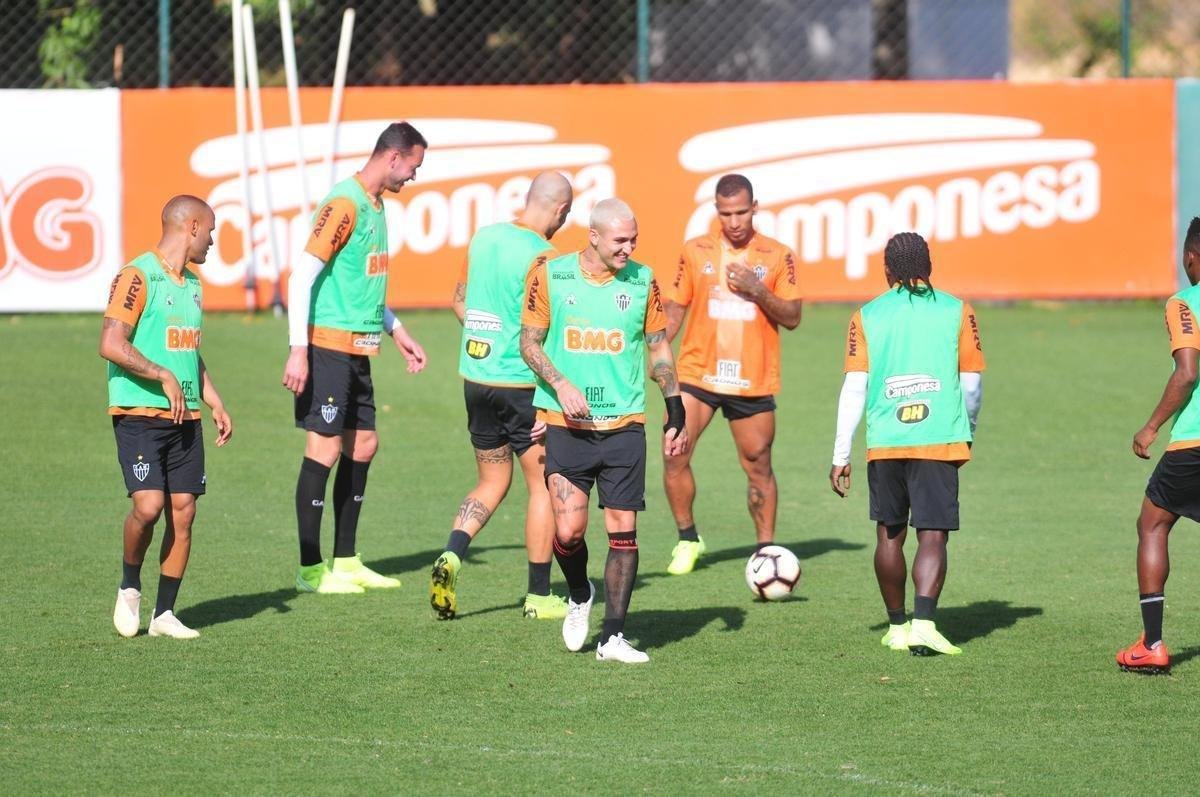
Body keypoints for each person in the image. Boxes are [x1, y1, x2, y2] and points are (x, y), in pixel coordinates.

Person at [519, 198, 689, 664]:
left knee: (622, 530)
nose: (629, 248)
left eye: (634, 239)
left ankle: (612, 637)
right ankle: (579, 592)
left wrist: (674, 405)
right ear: (592, 236)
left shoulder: (642, 280)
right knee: (570, 533)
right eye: (620, 240)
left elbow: (657, 345)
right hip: (567, 424)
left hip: (624, 425)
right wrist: (559, 384)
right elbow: (528, 342)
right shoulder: (551, 276)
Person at [282, 122, 429, 594]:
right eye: (413, 166)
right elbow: (301, 277)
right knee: (323, 450)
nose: (413, 176)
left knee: (363, 445)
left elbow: (360, 283)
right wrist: (298, 351)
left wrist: (397, 328)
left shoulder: (376, 206)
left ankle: (345, 560)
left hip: (361, 349)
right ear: (393, 158)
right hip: (328, 350)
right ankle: (310, 569)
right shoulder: (343, 204)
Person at [829, 232, 984, 656]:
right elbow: (971, 385)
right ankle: (925, 624)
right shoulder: (957, 311)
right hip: (939, 436)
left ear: (887, 271)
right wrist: (965, 427)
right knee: (932, 535)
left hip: (886, 440)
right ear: (928, 266)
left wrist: (840, 454)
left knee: (889, 534)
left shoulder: (868, 315)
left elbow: (854, 387)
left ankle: (897, 626)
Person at [430, 172, 574, 620]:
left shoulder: (484, 237)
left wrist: (486, 346)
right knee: (543, 488)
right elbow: (547, 332)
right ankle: (537, 596)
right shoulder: (545, 257)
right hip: (522, 388)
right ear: (560, 211)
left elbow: (459, 301)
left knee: (492, 481)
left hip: (476, 379)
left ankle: (452, 554)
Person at [101, 195, 234, 639]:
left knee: (184, 511)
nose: (212, 241)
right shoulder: (136, 275)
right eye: (211, 231)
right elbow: (111, 343)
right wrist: (159, 374)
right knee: (149, 505)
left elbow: (189, 352)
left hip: (186, 417)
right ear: (192, 226)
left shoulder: (193, 285)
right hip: (140, 414)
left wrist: (214, 400)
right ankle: (129, 585)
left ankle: (164, 615)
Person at [661, 174, 802, 575]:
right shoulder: (695, 250)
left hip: (752, 379)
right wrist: (658, 350)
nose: (734, 221)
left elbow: (793, 316)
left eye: (741, 212)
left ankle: (766, 552)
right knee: (675, 452)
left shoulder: (777, 255)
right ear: (716, 212)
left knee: (758, 464)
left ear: (754, 208)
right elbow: (674, 309)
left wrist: (758, 290)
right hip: (697, 374)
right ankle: (688, 539)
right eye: (726, 214)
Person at [1117, 216, 1200, 675]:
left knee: (1152, 523)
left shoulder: (1184, 302)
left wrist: (1149, 427)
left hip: (1193, 442)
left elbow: (1187, 372)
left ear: (1191, 258)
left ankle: (1152, 643)